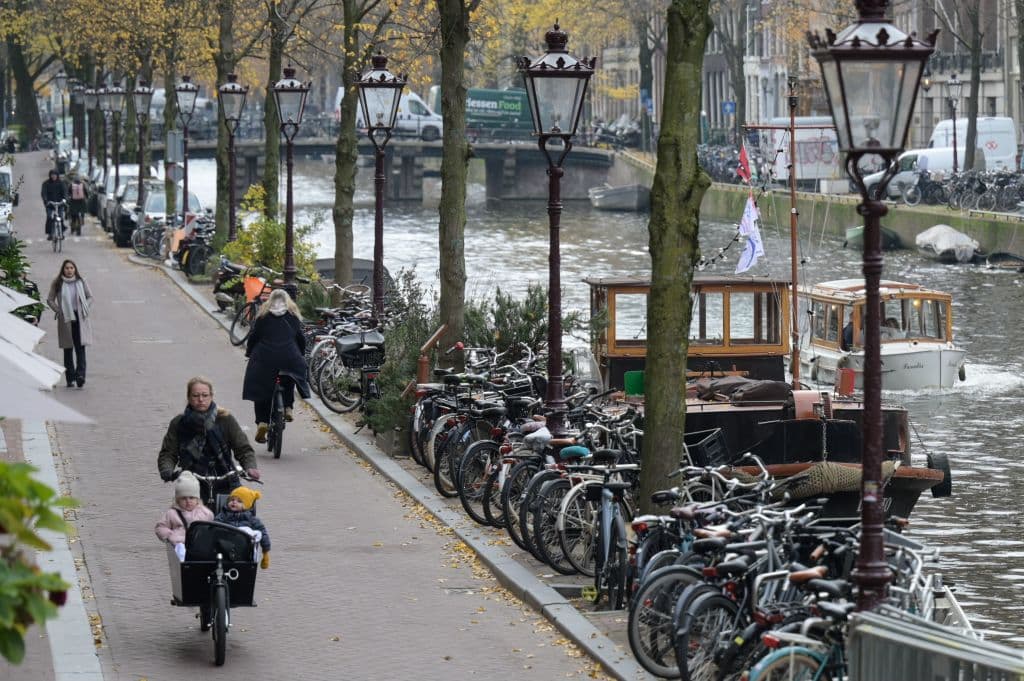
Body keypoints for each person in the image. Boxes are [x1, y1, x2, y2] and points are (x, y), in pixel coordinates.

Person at [157, 376, 261, 501]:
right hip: (191, 480)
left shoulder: (225, 420)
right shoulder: (179, 423)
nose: (201, 400)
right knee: (185, 516)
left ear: (211, 396)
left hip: (225, 477)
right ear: (189, 397)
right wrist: (167, 470)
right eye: (195, 396)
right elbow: (168, 452)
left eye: (205, 395)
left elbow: (243, 448)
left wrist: (250, 467)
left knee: (239, 512)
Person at [242, 289, 310, 444]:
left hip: (265, 358)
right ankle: (288, 407)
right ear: (288, 302)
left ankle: (262, 422)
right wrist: (300, 354)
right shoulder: (293, 317)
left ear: (270, 301)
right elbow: (301, 338)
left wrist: (249, 353)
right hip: (289, 357)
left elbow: (254, 337)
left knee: (261, 387)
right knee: (290, 376)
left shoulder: (262, 316)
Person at [46, 259, 93, 387]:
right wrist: (59, 311)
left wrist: (85, 308)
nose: (69, 270)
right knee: (68, 349)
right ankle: (70, 378)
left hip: (80, 317)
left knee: (80, 348)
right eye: (67, 268)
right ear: (63, 269)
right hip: (65, 318)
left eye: (72, 268)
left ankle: (80, 376)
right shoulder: (58, 283)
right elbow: (50, 300)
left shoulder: (81, 281)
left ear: (75, 269)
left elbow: (90, 297)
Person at [154, 471, 214, 561]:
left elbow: (211, 528)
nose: (188, 501)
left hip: (198, 547)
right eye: (183, 498)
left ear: (197, 499)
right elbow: (160, 527)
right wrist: (170, 536)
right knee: (181, 550)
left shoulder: (204, 513)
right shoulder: (172, 513)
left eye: (191, 497)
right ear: (178, 500)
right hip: (180, 544)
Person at [214, 486, 271, 569]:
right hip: (225, 547)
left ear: (246, 505)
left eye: (239, 501)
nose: (234, 502)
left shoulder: (251, 519)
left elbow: (263, 532)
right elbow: (214, 527)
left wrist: (265, 551)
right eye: (232, 500)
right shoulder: (223, 515)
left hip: (243, 550)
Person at [40, 168, 67, 239]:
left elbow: (65, 192)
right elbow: (43, 193)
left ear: (57, 175)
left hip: (59, 204)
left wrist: (64, 199)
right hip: (50, 204)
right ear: (50, 175)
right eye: (52, 175)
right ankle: (50, 233)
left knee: (61, 217)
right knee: (49, 217)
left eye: (55, 175)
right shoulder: (46, 183)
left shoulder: (61, 183)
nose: (53, 176)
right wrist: (46, 200)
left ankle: (61, 232)